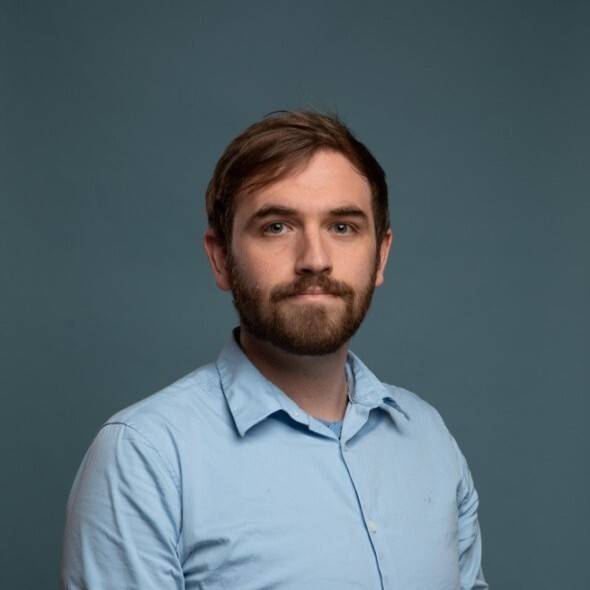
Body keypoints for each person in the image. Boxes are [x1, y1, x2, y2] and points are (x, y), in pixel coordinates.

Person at [61, 111, 488, 589]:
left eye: (343, 227)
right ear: (221, 258)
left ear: (380, 255)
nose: (315, 260)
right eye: (277, 227)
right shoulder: (146, 457)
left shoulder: (428, 438)